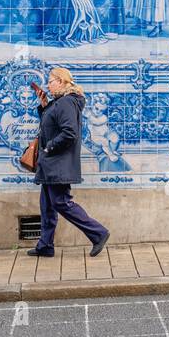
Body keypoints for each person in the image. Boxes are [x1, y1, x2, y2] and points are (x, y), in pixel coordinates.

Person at [29, 66, 110, 259]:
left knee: (61, 202)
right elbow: (51, 124)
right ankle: (45, 245)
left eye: (51, 80)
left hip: (58, 163)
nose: (48, 84)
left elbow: (69, 133)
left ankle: (98, 232)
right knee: (47, 205)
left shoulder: (65, 103)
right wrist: (44, 105)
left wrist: (49, 147)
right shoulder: (59, 103)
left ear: (62, 82)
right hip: (51, 164)